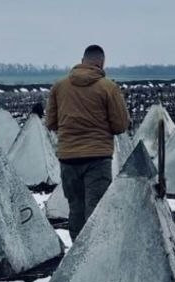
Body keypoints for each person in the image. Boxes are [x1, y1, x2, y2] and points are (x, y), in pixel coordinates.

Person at [45, 43, 130, 241]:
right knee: (96, 210)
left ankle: (76, 251)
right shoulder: (108, 87)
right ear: (101, 63)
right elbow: (120, 125)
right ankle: (93, 252)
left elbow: (50, 122)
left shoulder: (59, 87)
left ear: (82, 61)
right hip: (97, 158)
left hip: (68, 158)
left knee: (75, 208)